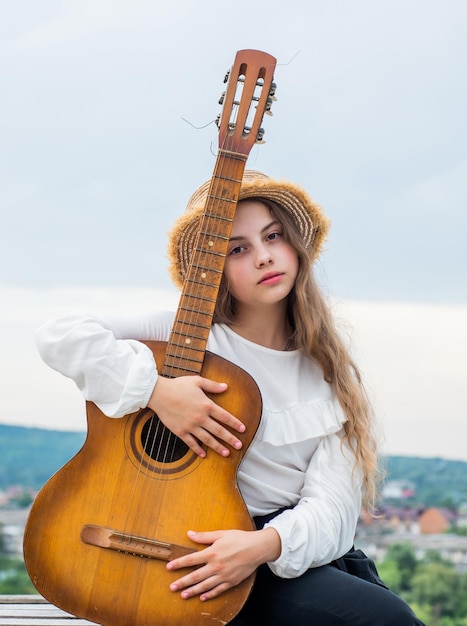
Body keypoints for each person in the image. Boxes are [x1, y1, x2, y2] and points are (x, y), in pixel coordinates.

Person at [36, 171, 425, 625]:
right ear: (213, 268)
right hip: (172, 536)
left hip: (270, 552)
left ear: (295, 245)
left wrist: (258, 547)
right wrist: (158, 392)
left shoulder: (328, 373)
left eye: (273, 236)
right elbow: (60, 336)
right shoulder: (184, 336)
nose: (263, 257)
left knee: (386, 617)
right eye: (237, 248)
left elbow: (333, 510)